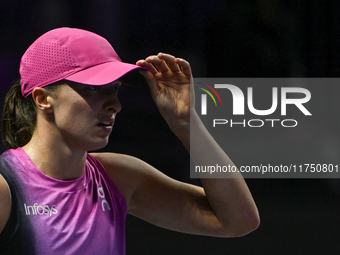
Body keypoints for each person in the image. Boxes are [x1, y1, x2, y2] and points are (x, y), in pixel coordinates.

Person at [0, 27, 259, 254]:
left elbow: (239, 220)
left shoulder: (119, 178)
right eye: (93, 87)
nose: (115, 105)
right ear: (43, 99)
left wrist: (186, 123)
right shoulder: (5, 189)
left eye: (114, 89)